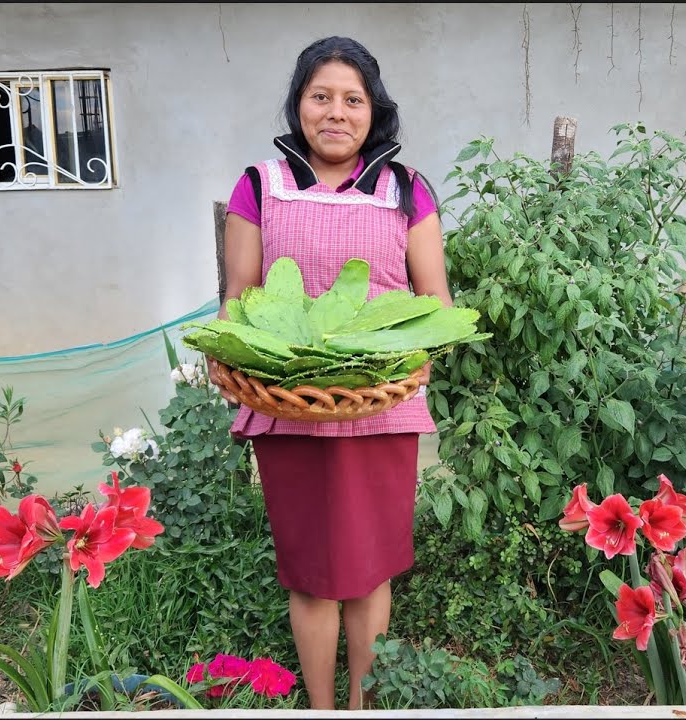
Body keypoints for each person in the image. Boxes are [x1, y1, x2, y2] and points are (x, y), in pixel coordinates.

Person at [206, 36, 451, 710]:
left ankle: (360, 708)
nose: (336, 112)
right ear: (299, 105)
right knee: (310, 575)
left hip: (382, 405)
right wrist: (227, 353)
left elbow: (435, 303)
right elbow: (239, 295)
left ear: (374, 110)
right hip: (288, 405)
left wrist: (403, 364)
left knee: (371, 572)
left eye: (353, 99)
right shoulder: (261, 185)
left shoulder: (406, 189)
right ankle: (321, 709)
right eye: (321, 97)